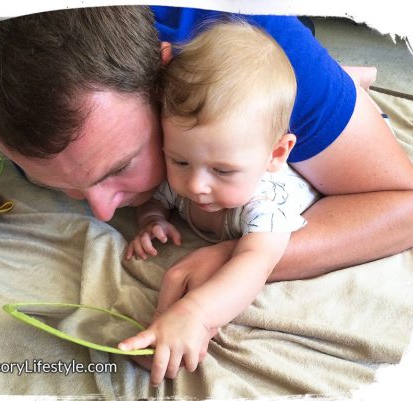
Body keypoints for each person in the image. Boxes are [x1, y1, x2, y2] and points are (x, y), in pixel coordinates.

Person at [0, 5, 413, 381]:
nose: (102, 208)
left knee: (265, 92)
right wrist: (152, 212)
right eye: (55, 182)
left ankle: (346, 80)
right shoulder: (2, 74)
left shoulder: (254, 31)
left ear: (166, 74)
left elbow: (406, 204)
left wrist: (225, 262)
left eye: (119, 167)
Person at [118, 21, 321, 386]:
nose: (195, 185)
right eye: (179, 161)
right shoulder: (186, 171)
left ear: (275, 154)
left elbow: (253, 263)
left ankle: (358, 83)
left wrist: (195, 313)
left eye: (223, 171)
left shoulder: (265, 204)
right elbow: (155, 200)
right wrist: (151, 221)